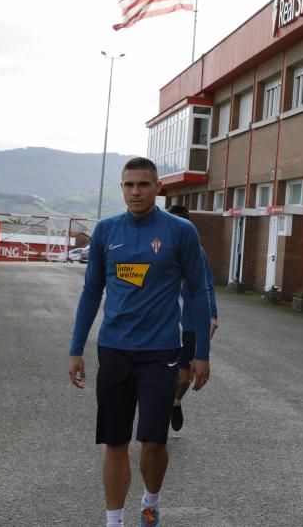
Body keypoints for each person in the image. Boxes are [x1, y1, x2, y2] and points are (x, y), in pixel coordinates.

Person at [69, 157, 211, 527]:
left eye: (143, 185)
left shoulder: (180, 232)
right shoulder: (106, 232)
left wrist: (200, 354)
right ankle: (113, 521)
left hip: (162, 353)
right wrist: (76, 349)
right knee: (114, 442)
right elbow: (90, 292)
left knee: (153, 442)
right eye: (129, 185)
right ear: (121, 188)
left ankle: (150, 503)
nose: (136, 191)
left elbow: (198, 293)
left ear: (157, 187)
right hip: (114, 350)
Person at [165, 204, 218, 432]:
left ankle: (175, 403)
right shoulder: (157, 248)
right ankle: (159, 408)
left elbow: (206, 287)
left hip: (188, 323)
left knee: (183, 377)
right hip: (163, 322)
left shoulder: (197, 251)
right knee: (160, 374)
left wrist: (212, 314)